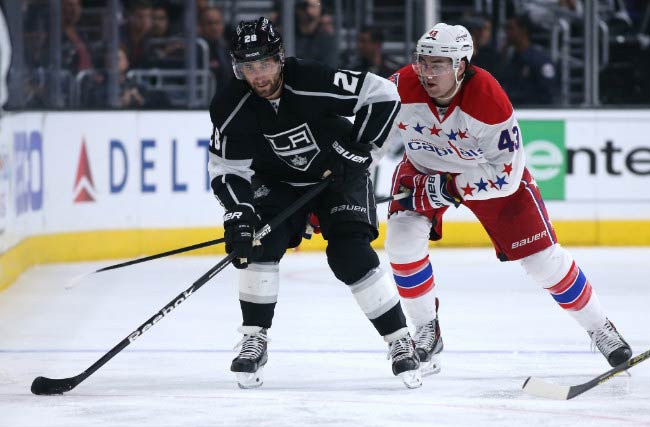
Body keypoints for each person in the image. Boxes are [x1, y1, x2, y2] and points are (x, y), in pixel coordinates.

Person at [383, 23, 632, 376]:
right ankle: (427, 329)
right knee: (401, 243)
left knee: (543, 262)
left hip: (485, 177)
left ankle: (600, 328)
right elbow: (369, 138)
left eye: (438, 64)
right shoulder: (400, 85)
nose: (426, 72)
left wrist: (448, 188)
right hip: (423, 168)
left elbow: (507, 175)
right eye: (422, 62)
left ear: (461, 66)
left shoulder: (488, 97)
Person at [208, 17, 420, 389]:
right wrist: (239, 213)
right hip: (278, 183)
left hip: (339, 175)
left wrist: (358, 150)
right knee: (259, 244)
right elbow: (227, 168)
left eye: (265, 64)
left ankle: (400, 340)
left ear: (280, 58)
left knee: (349, 254)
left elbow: (384, 94)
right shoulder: (230, 105)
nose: (257, 76)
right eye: (248, 66)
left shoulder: (312, 79)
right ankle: (254, 336)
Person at [499, 14, 559, 106]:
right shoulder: (512, 59)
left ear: (523, 30)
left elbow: (548, 93)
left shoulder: (539, 59)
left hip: (535, 112)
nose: (507, 33)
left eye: (511, 28)